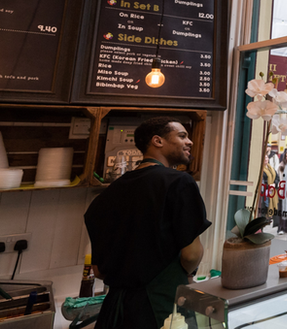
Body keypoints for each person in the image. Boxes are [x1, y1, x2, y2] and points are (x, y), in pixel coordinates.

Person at [84, 117, 211, 329]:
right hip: (160, 307)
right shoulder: (179, 182)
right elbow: (192, 254)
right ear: (157, 141)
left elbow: (98, 271)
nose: (189, 141)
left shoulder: (103, 198)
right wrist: (186, 275)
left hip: (114, 310)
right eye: (182, 136)